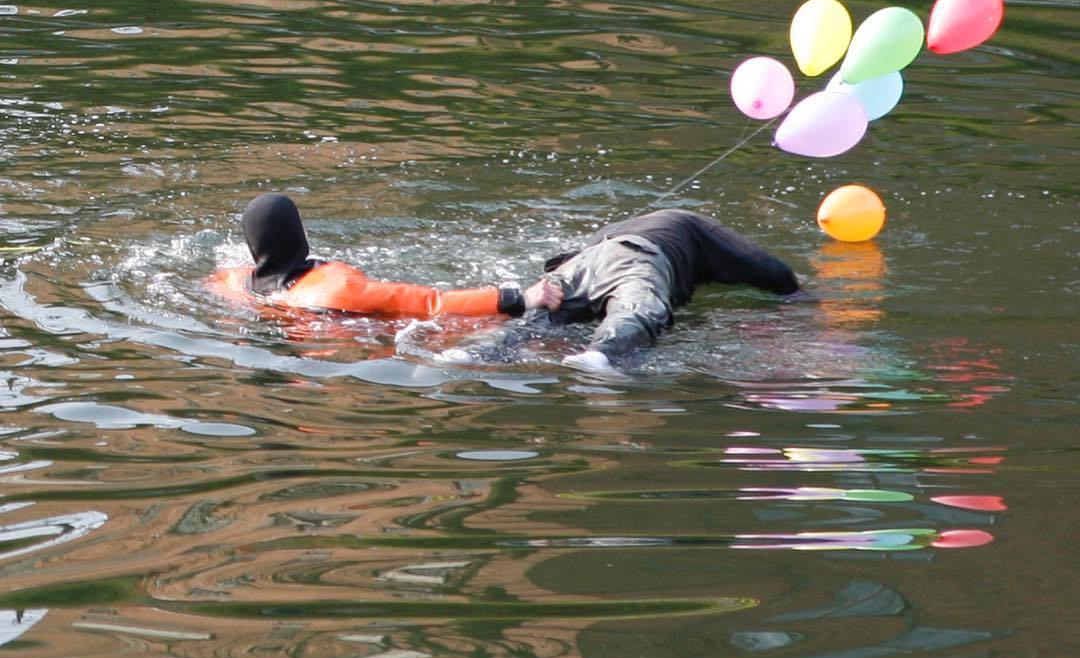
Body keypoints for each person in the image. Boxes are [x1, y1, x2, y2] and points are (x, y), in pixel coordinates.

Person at [441, 208, 802, 373]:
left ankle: (471, 352)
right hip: (636, 259)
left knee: (535, 319)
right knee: (637, 310)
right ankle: (601, 354)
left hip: (577, 263)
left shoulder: (630, 225)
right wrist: (798, 297)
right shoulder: (689, 222)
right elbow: (773, 271)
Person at [207, 192, 563, 319]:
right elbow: (433, 305)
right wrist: (521, 298)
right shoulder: (338, 290)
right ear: (298, 233)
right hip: (364, 334)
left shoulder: (233, 283)